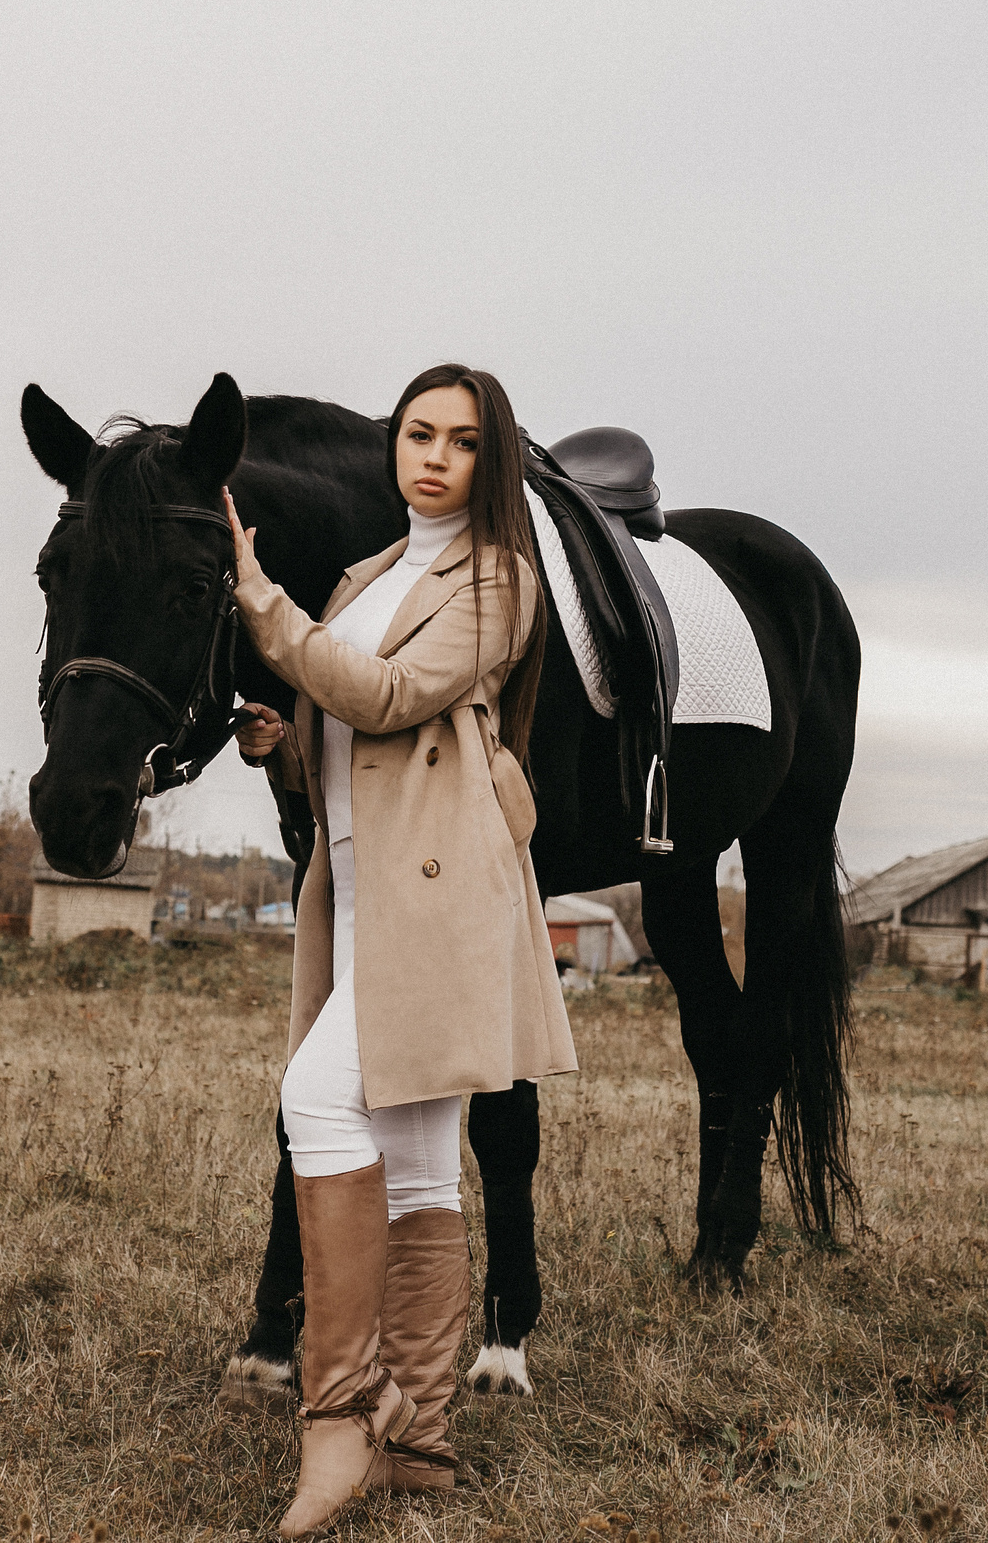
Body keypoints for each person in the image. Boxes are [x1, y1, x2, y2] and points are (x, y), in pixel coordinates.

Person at [224, 363, 577, 1537]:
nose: (430, 456)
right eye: (415, 434)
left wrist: (264, 608)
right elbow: (342, 724)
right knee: (423, 1163)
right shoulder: (370, 574)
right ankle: (417, 1435)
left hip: (439, 889)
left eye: (460, 440)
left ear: (494, 459)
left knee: (314, 1101)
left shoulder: (500, 579)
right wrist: (283, 740)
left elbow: (387, 697)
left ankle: (337, 1422)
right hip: (365, 883)